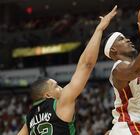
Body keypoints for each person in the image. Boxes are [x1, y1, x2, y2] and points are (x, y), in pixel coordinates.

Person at [17, 6, 117, 135]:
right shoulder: (59, 103)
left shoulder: (29, 119)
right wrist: (99, 29)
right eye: (56, 86)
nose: (61, 87)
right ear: (48, 95)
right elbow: (86, 65)